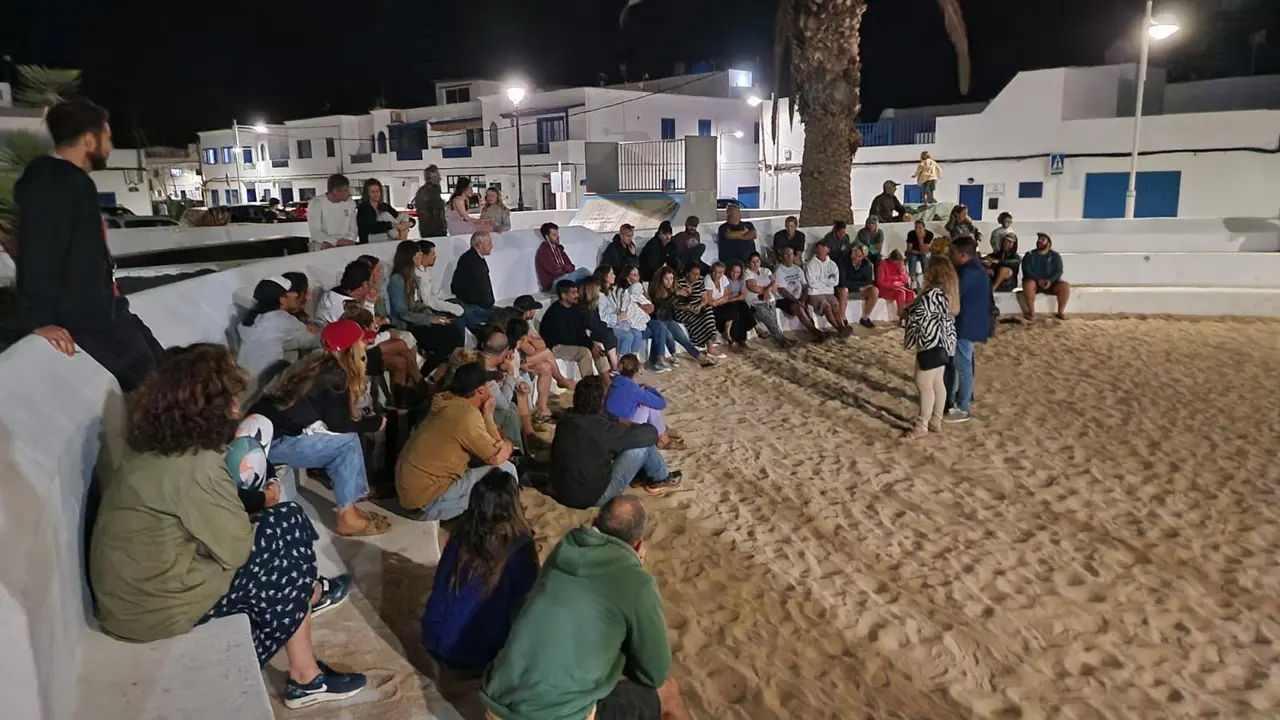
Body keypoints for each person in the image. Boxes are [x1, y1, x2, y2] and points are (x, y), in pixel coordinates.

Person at [89, 344, 368, 709]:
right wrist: (260, 506)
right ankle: (305, 675)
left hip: (130, 599)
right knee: (286, 528)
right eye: (232, 397)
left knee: (279, 530)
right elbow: (237, 549)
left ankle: (308, 596)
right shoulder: (197, 465)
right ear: (213, 405)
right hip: (157, 610)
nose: (238, 407)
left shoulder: (151, 445)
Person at [481, 496, 693, 720]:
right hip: (553, 716)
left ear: (593, 523)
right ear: (638, 544)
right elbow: (655, 673)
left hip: (495, 704)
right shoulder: (637, 583)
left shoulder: (565, 549)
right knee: (667, 690)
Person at [15, 98, 163, 392]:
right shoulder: (56, 184)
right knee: (153, 384)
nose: (110, 147)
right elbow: (39, 253)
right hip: (86, 319)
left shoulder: (69, 182)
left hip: (107, 309)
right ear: (88, 140)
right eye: (106, 138)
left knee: (166, 367)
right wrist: (39, 319)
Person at [251, 320, 393, 536]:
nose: (365, 345)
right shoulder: (333, 377)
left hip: (264, 436)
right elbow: (340, 424)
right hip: (270, 445)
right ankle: (347, 518)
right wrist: (375, 422)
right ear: (349, 349)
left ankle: (351, 507)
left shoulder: (318, 362)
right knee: (347, 442)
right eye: (361, 342)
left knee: (347, 439)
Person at [420, 469, 538, 676]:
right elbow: (528, 596)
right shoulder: (517, 546)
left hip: (432, 638)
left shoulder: (460, 531)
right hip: (475, 655)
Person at [396, 362, 517, 521]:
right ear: (481, 390)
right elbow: (496, 456)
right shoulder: (466, 416)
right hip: (426, 503)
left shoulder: (445, 402)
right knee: (507, 470)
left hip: (411, 494)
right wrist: (490, 419)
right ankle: (511, 521)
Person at [550, 376, 681, 507]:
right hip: (592, 496)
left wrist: (619, 420)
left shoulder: (566, 419)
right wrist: (633, 425)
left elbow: (599, 419)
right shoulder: (604, 430)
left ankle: (640, 476)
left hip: (561, 490)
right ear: (601, 401)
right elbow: (650, 434)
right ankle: (660, 478)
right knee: (642, 445)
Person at [902, 257, 959, 440]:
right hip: (943, 343)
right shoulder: (949, 293)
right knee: (937, 383)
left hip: (929, 342)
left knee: (924, 384)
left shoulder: (931, 295)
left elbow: (919, 318)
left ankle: (922, 425)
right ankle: (936, 420)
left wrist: (907, 312)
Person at [386, 241, 466, 368]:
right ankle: (431, 369)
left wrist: (436, 318)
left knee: (454, 328)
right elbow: (403, 313)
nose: (420, 259)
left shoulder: (413, 278)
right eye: (417, 256)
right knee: (443, 337)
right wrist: (429, 320)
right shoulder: (397, 280)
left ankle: (453, 366)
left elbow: (419, 304)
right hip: (409, 324)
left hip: (420, 318)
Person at [237, 276, 320, 383]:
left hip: (245, 381)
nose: (295, 294)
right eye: (290, 292)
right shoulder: (282, 320)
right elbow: (314, 340)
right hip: (265, 384)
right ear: (282, 300)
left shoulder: (249, 320)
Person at [944, 235, 992, 424]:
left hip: (965, 324)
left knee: (963, 366)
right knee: (962, 364)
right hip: (972, 322)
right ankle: (960, 400)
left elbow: (954, 296)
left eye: (954, 253)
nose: (951, 255)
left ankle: (962, 407)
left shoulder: (967, 274)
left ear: (962, 254)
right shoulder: (976, 270)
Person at [607, 354, 683, 450]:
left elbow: (627, 391)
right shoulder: (634, 389)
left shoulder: (614, 382)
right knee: (648, 405)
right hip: (623, 427)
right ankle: (663, 439)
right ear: (635, 373)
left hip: (610, 423)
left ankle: (662, 432)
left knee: (641, 402)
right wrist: (649, 388)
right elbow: (661, 403)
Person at [539, 280, 611, 378]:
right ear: (564, 295)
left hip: (571, 342)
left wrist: (592, 345)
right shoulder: (555, 313)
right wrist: (589, 346)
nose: (577, 295)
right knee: (585, 352)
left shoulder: (575, 307)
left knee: (599, 347)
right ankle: (589, 386)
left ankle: (607, 383)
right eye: (573, 293)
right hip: (556, 346)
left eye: (577, 292)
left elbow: (579, 330)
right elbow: (566, 338)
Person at [647, 267, 717, 368]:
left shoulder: (672, 288)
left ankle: (701, 358)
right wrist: (676, 294)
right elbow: (660, 305)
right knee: (670, 337)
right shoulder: (655, 289)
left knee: (684, 340)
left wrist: (685, 294)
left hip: (669, 319)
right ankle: (673, 355)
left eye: (671, 278)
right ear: (660, 279)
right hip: (658, 321)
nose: (669, 281)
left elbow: (675, 303)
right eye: (666, 279)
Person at [743, 252, 794, 348]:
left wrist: (767, 290)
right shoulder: (747, 273)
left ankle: (782, 340)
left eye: (757, 261)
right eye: (753, 262)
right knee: (771, 321)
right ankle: (781, 341)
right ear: (749, 263)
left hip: (770, 300)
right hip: (756, 303)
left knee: (774, 321)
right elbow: (753, 287)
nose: (756, 264)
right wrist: (768, 289)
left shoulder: (766, 270)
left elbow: (775, 283)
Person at [773, 247, 824, 341]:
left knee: (813, 302)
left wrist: (803, 299)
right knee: (799, 307)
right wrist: (798, 301)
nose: (789, 257)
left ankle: (815, 329)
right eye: (786, 255)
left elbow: (805, 286)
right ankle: (814, 331)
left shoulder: (797, 269)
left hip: (799, 297)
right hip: (784, 299)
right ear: (781, 257)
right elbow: (783, 292)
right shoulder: (779, 271)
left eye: (791, 254)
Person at [596, 265, 647, 359]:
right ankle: (620, 362)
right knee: (628, 336)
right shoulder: (600, 295)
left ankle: (633, 360)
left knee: (638, 334)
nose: (614, 276)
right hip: (608, 326)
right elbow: (602, 317)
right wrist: (618, 317)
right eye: (611, 274)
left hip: (618, 322)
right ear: (604, 277)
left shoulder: (610, 291)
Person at [804, 241, 851, 339]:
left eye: (822, 248)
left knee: (835, 305)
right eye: (819, 248)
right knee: (827, 307)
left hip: (828, 292)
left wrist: (820, 282)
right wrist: (827, 282)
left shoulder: (832, 265)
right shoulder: (811, 265)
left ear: (828, 250)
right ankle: (840, 329)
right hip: (815, 294)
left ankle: (841, 327)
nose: (820, 251)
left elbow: (835, 282)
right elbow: (811, 283)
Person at [451, 231, 497, 328]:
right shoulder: (468, 260)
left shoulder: (477, 259)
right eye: (489, 243)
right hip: (475, 308)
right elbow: (456, 286)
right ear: (480, 245)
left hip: (483, 306)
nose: (492, 246)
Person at [673, 264, 723, 353]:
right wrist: (687, 308)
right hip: (682, 310)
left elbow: (705, 298)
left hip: (696, 306)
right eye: (694, 274)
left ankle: (711, 337)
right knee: (695, 318)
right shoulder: (678, 283)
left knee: (708, 310)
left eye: (698, 274)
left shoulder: (700, 281)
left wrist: (700, 306)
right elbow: (674, 304)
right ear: (687, 273)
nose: (696, 276)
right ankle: (708, 344)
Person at [1021, 232, 1070, 320]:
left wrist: (1050, 280)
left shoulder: (1055, 256)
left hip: (1051, 283)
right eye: (1039, 239)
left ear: (1049, 243)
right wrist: (1038, 280)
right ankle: (1031, 312)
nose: (1039, 241)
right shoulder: (1029, 255)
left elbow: (1059, 271)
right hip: (1035, 283)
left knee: (1064, 286)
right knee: (1028, 284)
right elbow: (1026, 270)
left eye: (1043, 240)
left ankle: (1060, 312)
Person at [706, 261, 754, 350]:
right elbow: (710, 302)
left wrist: (720, 301)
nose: (717, 275)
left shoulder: (723, 278)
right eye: (715, 272)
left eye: (720, 273)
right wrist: (721, 301)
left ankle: (739, 338)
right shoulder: (708, 279)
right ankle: (732, 340)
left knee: (739, 309)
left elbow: (727, 296)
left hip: (722, 304)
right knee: (734, 310)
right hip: (713, 307)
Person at [578, 275, 621, 373]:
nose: (599, 289)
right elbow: (587, 325)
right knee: (607, 334)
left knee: (608, 332)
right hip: (587, 334)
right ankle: (614, 366)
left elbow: (598, 323)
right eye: (597, 287)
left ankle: (614, 365)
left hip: (595, 332)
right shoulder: (583, 307)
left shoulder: (592, 305)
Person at [308, 174, 359, 249]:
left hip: (345, 243)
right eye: (345, 190)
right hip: (322, 242)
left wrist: (348, 239)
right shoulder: (316, 203)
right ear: (335, 191)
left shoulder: (350, 203)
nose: (348, 193)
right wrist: (335, 242)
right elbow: (315, 232)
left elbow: (353, 228)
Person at [535, 222, 590, 290]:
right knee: (583, 272)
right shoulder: (544, 251)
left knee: (584, 276)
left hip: (564, 278)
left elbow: (572, 267)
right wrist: (566, 269)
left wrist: (563, 267)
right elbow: (555, 270)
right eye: (554, 235)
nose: (558, 237)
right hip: (552, 284)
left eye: (557, 234)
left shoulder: (559, 249)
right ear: (547, 237)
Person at [356, 178, 412, 243]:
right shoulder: (364, 207)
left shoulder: (383, 205)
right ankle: (400, 237)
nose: (376, 194)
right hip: (371, 236)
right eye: (372, 192)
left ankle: (401, 235)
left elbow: (396, 215)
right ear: (367, 193)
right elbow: (371, 227)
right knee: (384, 215)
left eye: (377, 191)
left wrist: (410, 223)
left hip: (387, 234)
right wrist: (393, 225)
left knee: (404, 214)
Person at [841, 244, 880, 329]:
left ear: (863, 256)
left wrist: (857, 285)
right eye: (854, 253)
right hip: (847, 289)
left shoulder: (867, 263)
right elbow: (842, 281)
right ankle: (843, 319)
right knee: (843, 290)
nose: (855, 257)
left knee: (875, 290)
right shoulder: (843, 261)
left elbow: (868, 281)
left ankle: (865, 318)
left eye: (858, 256)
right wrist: (858, 287)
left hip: (859, 288)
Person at [876, 249, 917, 317]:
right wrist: (893, 285)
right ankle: (901, 315)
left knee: (911, 294)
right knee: (901, 293)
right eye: (895, 262)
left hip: (898, 287)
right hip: (886, 289)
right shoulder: (883, 264)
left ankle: (909, 314)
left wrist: (901, 272)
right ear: (891, 259)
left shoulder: (900, 263)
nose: (896, 264)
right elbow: (880, 282)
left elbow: (905, 281)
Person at [716, 203, 757, 269]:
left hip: (749, 261)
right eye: (728, 213)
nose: (728, 215)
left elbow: (753, 234)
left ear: (738, 213)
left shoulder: (748, 225)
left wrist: (739, 235)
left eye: (731, 212)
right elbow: (729, 235)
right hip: (732, 262)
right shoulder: (723, 227)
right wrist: (744, 233)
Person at [414, 165, 447, 238]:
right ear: (432, 177)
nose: (440, 178)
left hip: (425, 228)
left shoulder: (422, 191)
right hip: (435, 229)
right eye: (437, 175)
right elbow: (435, 209)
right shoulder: (433, 190)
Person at [905, 219, 934, 289]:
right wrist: (919, 252)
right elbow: (909, 249)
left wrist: (920, 239)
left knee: (924, 257)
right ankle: (913, 279)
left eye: (920, 228)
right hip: (913, 253)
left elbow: (925, 250)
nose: (917, 230)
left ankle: (926, 278)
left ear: (924, 228)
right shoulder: (911, 234)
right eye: (916, 228)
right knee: (913, 258)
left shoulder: (929, 234)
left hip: (922, 253)